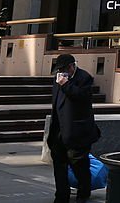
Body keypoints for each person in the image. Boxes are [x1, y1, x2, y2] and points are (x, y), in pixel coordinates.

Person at [46, 54, 100, 203]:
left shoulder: (84, 78)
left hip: (77, 132)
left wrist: (66, 85)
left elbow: (83, 98)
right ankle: (61, 196)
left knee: (79, 166)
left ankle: (84, 192)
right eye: (59, 70)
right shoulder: (58, 78)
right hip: (59, 131)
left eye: (64, 69)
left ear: (71, 66)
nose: (61, 73)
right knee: (59, 165)